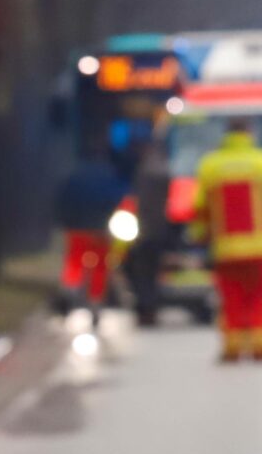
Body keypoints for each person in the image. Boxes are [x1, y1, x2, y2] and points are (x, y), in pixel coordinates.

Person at [188, 115, 262, 362]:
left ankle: (231, 346)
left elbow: (201, 208)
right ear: (249, 132)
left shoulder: (210, 165)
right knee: (259, 296)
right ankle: (258, 345)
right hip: (259, 246)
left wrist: (200, 236)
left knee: (231, 296)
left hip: (226, 248)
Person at [54, 145, 130, 313]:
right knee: (100, 266)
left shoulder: (74, 176)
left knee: (74, 260)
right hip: (100, 230)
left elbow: (63, 200)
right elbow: (119, 198)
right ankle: (96, 300)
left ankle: (70, 290)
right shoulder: (110, 177)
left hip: (76, 228)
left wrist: (65, 222)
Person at [125, 123, 176, 327]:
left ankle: (147, 307)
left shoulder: (149, 170)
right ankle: (149, 307)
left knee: (144, 270)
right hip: (156, 229)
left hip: (148, 231)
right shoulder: (161, 168)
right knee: (149, 270)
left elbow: (142, 204)